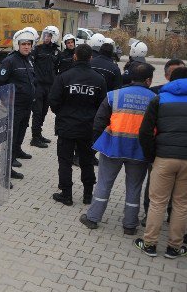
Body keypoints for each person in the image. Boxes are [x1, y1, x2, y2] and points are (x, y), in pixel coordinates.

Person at [79, 63, 156, 235]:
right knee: (134, 187)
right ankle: (129, 225)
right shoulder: (155, 98)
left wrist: (96, 144)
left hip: (113, 148)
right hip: (139, 151)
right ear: (149, 80)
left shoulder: (114, 95)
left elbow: (99, 122)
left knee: (104, 184)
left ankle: (93, 218)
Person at [135, 66, 187, 258]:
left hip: (164, 157)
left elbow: (145, 132)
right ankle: (175, 247)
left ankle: (149, 244)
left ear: (170, 80)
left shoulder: (159, 99)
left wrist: (152, 156)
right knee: (181, 204)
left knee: (157, 202)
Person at [48, 44, 107, 206]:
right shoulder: (98, 79)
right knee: (87, 160)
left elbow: (53, 101)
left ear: (74, 56)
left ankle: (66, 194)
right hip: (88, 127)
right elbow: (103, 105)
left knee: (65, 161)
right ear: (90, 58)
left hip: (66, 126)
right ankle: (88, 195)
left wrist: (62, 114)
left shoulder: (64, 77)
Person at [141, 58, 186, 224]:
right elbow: (146, 129)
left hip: (166, 154)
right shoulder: (155, 94)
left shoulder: (159, 97)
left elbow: (144, 131)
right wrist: (151, 154)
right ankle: (172, 243)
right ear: (167, 76)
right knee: (156, 193)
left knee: (177, 201)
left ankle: (154, 239)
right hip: (161, 152)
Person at [0, 28, 38, 180]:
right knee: (10, 138)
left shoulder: (29, 59)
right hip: (14, 107)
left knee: (20, 134)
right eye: (23, 44)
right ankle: (5, 169)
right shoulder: (10, 60)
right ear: (17, 45)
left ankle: (14, 156)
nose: (26, 46)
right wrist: (6, 104)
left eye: (29, 44)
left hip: (26, 106)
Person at [30, 26, 61, 147]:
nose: (46, 38)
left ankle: (39, 133)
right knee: (37, 112)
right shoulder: (37, 49)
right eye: (45, 35)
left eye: (49, 36)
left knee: (43, 111)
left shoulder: (57, 52)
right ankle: (35, 138)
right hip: (38, 85)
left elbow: (57, 68)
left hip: (49, 86)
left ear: (54, 37)